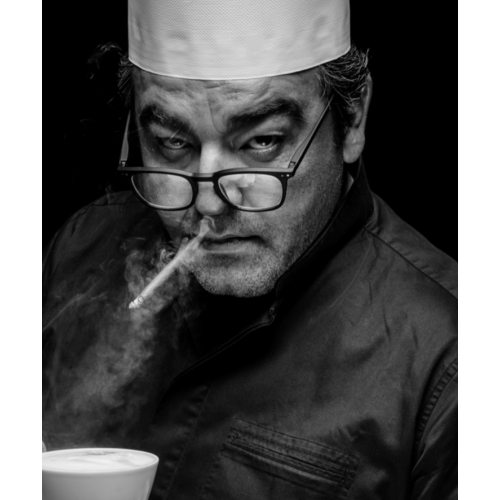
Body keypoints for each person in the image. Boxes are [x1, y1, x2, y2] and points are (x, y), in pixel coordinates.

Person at [42, 0, 457, 498]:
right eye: (172, 142)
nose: (208, 203)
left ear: (352, 120)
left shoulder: (448, 358)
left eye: (261, 142)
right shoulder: (80, 246)